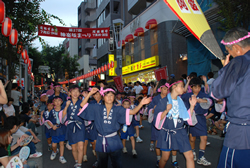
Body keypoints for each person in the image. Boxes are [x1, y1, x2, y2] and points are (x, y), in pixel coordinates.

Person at [78, 87, 151, 168]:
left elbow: (133, 111)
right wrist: (90, 93)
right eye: (107, 95)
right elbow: (82, 105)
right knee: (102, 165)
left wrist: (141, 104)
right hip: (101, 141)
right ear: (103, 97)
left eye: (111, 95)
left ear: (114, 97)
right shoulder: (97, 108)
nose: (109, 97)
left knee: (117, 164)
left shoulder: (118, 109)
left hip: (114, 141)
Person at [211, 27, 250, 168]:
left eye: (229, 52)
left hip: (241, 134)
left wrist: (225, 70)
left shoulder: (239, 62)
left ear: (237, 48)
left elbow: (217, 93)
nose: (230, 55)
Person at [154, 79, 196, 168]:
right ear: (174, 87)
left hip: (180, 131)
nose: (183, 89)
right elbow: (157, 120)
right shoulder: (163, 101)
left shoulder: (182, 102)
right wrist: (166, 111)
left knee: (190, 156)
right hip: (167, 132)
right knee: (165, 158)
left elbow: (187, 118)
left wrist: (192, 106)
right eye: (181, 86)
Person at [181, 77, 212, 166]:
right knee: (192, 138)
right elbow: (181, 96)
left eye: (199, 87)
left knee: (204, 138)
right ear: (191, 87)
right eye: (195, 87)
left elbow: (211, 101)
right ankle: (193, 152)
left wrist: (201, 100)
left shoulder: (203, 94)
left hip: (201, 118)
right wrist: (187, 82)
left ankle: (201, 157)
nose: (197, 89)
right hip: (192, 119)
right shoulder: (187, 96)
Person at [61, 85, 85, 168]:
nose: (75, 93)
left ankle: (79, 164)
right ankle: (76, 161)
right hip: (71, 126)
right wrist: (67, 106)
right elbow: (63, 117)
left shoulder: (82, 102)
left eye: (77, 91)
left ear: (79, 93)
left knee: (80, 147)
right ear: (70, 93)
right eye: (73, 91)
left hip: (80, 126)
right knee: (74, 147)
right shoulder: (66, 102)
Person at [47, 96, 67, 164]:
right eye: (56, 101)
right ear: (53, 103)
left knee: (61, 143)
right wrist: (52, 126)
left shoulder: (64, 110)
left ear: (61, 102)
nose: (57, 102)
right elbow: (48, 121)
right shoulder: (52, 111)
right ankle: (55, 151)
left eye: (59, 101)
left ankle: (61, 156)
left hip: (62, 129)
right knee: (54, 145)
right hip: (54, 129)